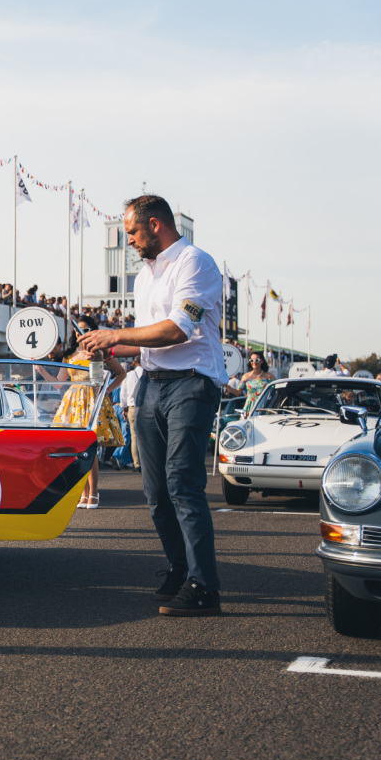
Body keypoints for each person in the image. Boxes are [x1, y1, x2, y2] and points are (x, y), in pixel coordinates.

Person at [78, 195, 227, 617]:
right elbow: (142, 342)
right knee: (156, 491)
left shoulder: (196, 263)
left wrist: (113, 334)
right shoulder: (144, 276)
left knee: (183, 482)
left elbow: (178, 330)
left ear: (156, 224)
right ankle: (181, 570)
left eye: (132, 232)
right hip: (151, 382)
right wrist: (104, 348)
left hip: (191, 384)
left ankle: (205, 586)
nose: (129, 241)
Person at [53, 315, 126, 509]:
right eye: (78, 330)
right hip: (73, 402)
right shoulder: (68, 354)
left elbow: (120, 373)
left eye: (85, 330)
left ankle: (94, 493)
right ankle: (83, 494)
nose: (81, 333)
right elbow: (58, 383)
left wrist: (107, 390)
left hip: (92, 399)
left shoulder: (99, 351)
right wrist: (39, 368)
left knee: (89, 450)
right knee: (77, 451)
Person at [120, 358, 143, 471]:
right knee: (148, 436)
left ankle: (137, 463)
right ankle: (147, 463)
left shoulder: (128, 375)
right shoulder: (148, 373)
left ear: (134, 362)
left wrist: (124, 409)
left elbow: (123, 394)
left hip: (132, 407)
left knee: (134, 436)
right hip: (146, 406)